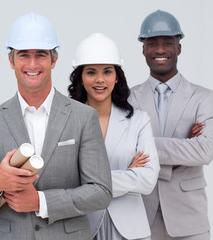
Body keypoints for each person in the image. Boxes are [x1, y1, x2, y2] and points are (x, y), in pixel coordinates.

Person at [0, 13, 112, 239]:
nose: (32, 64)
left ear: (53, 60)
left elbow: (101, 192)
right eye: (24, 55)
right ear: (11, 60)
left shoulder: (83, 117)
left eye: (40, 55)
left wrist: (41, 202)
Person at [129, 10, 213, 239]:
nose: (160, 50)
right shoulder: (126, 99)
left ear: (179, 48)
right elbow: (121, 152)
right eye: (152, 43)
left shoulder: (204, 97)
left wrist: (144, 147)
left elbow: (204, 151)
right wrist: (183, 148)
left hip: (189, 220)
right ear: (143, 49)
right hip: (139, 217)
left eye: (167, 43)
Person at [68, 33, 160, 240]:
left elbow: (147, 180)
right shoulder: (66, 122)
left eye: (107, 71)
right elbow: (62, 180)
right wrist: (128, 173)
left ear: (117, 76)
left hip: (130, 231)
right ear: (81, 78)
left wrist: (88, 184)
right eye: (91, 72)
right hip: (81, 228)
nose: (100, 79)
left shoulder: (138, 121)